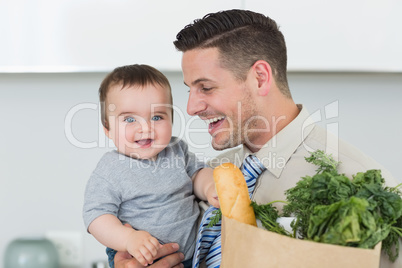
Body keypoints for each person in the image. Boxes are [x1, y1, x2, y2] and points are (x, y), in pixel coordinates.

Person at [113, 9, 402, 268]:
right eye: (190, 89)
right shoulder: (208, 174)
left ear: (261, 78)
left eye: (206, 87)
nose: (191, 108)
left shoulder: (361, 184)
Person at [83, 64, 219, 268]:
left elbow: (197, 174)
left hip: (194, 254)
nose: (145, 128)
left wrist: (210, 187)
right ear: (108, 130)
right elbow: (96, 217)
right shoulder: (110, 169)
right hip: (140, 259)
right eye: (130, 119)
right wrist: (129, 239)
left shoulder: (176, 149)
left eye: (157, 117)